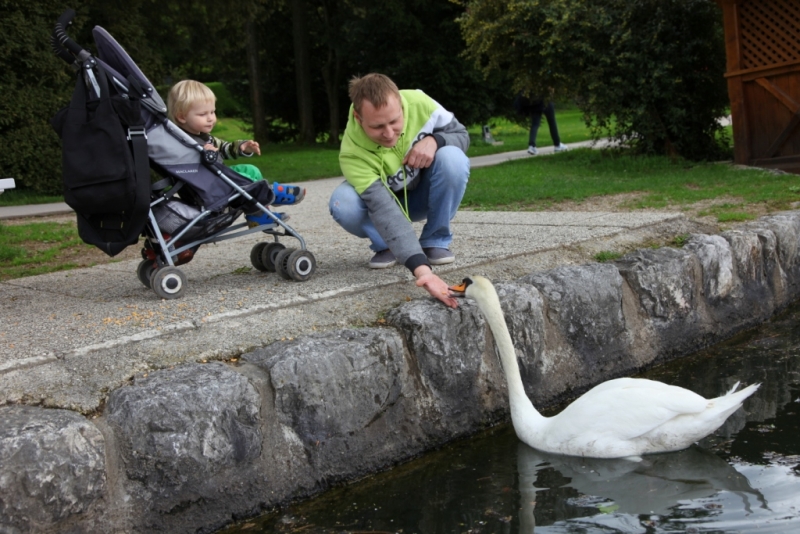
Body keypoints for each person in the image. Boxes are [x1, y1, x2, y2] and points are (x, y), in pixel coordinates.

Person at [329, 73, 470, 308]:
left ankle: (436, 239)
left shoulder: (420, 102)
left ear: (402, 106)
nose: (389, 133)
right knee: (343, 202)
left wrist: (436, 141)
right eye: (377, 126)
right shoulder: (352, 153)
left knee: (453, 158)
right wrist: (422, 271)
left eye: (394, 121)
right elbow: (383, 209)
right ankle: (387, 245)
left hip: (421, 197)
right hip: (384, 208)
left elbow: (462, 136)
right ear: (358, 117)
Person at [167, 80, 305, 223]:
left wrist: (242, 147)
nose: (210, 118)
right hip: (206, 191)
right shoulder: (182, 143)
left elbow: (224, 147)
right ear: (182, 117)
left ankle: (259, 215)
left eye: (212, 112)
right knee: (244, 179)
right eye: (203, 114)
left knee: (250, 170)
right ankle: (271, 193)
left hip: (217, 183)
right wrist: (204, 156)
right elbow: (190, 169)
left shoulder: (203, 136)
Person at [514, 92, 569, 156]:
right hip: (545, 99)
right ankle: (557, 144)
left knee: (535, 124)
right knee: (552, 121)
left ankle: (532, 146)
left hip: (535, 102)